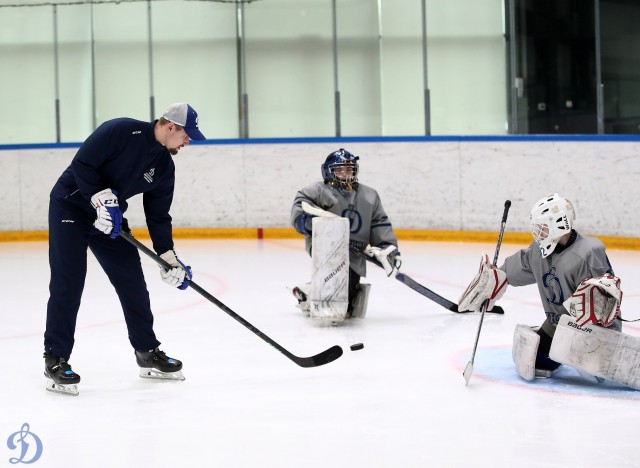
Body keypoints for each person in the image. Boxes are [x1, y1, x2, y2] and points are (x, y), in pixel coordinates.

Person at [43, 102, 206, 395]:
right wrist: (97, 198)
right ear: (171, 126)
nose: (187, 142)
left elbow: (158, 216)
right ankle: (55, 357)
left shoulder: (164, 167)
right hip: (71, 206)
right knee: (68, 282)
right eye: (186, 135)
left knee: (132, 281)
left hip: (111, 220)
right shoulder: (120, 130)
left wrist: (167, 257)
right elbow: (82, 164)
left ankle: (146, 350)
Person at [458, 193, 624, 383]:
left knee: (592, 371)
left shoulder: (588, 253)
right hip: (558, 325)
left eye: (542, 228)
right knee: (530, 361)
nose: (538, 233)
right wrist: (495, 279)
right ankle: (560, 350)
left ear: (559, 224)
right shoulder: (539, 251)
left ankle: (587, 354)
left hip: (593, 333)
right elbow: (517, 267)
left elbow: (605, 304)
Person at [290, 148, 402, 319]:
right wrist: (308, 222)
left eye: (349, 169)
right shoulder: (317, 191)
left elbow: (379, 222)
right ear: (328, 171)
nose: (345, 174)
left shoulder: (369, 195)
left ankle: (307, 293)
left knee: (350, 299)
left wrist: (386, 247)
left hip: (355, 252)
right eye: (340, 170)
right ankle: (317, 298)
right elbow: (299, 210)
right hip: (326, 248)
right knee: (337, 288)